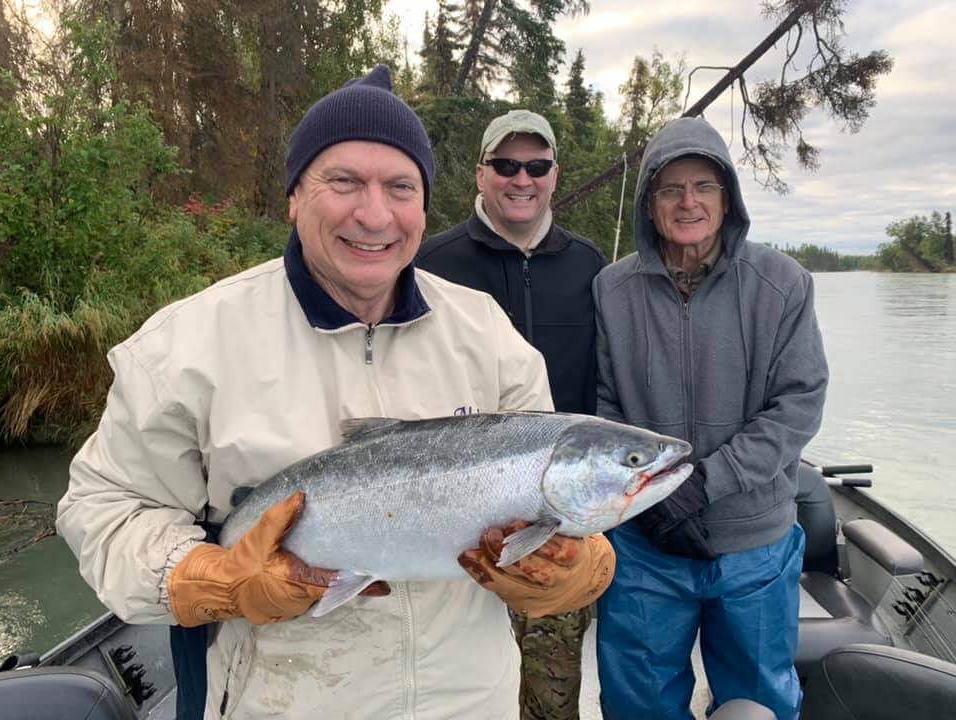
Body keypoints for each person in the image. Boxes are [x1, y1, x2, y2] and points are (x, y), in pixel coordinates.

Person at [56, 65, 615, 720]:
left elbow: (541, 486)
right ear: (295, 196)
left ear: (424, 205)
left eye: (400, 187)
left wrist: (574, 561)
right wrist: (214, 580)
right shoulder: (189, 344)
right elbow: (103, 506)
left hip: (471, 702)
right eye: (344, 182)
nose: (374, 214)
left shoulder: (488, 335)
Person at [592, 116, 828, 720]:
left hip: (756, 546)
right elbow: (605, 406)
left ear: (729, 199)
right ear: (649, 202)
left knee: (759, 700)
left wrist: (704, 482)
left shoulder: (783, 284)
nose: (688, 202)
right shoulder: (611, 290)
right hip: (647, 545)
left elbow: (797, 404)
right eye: (670, 188)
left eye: (704, 186)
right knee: (637, 703)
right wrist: (646, 500)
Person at [416, 109, 606, 720]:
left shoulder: (589, 264)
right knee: (462, 687)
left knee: (554, 695)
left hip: (561, 518)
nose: (520, 178)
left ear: (554, 174)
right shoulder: (428, 263)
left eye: (536, 166)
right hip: (458, 522)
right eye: (505, 165)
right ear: (480, 173)